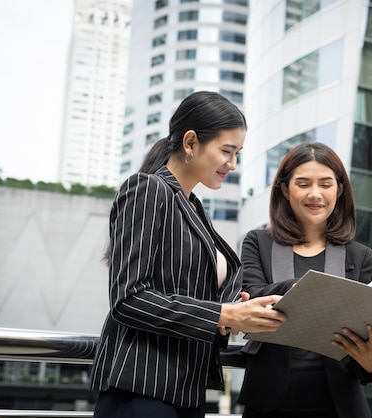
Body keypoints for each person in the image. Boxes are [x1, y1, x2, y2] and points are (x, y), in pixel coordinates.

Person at [90, 91, 287, 418]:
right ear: (191, 142)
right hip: (144, 386)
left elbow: (189, 294)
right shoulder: (149, 189)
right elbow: (129, 299)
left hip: (185, 389)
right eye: (226, 151)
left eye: (237, 153)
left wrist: (236, 311)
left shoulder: (192, 206)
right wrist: (223, 315)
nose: (233, 164)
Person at [237, 142, 372, 418]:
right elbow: (253, 298)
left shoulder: (360, 255)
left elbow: (368, 336)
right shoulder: (258, 242)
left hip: (339, 407)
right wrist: (302, 289)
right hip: (269, 404)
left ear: (340, 189)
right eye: (303, 183)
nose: (315, 194)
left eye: (326, 184)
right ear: (285, 189)